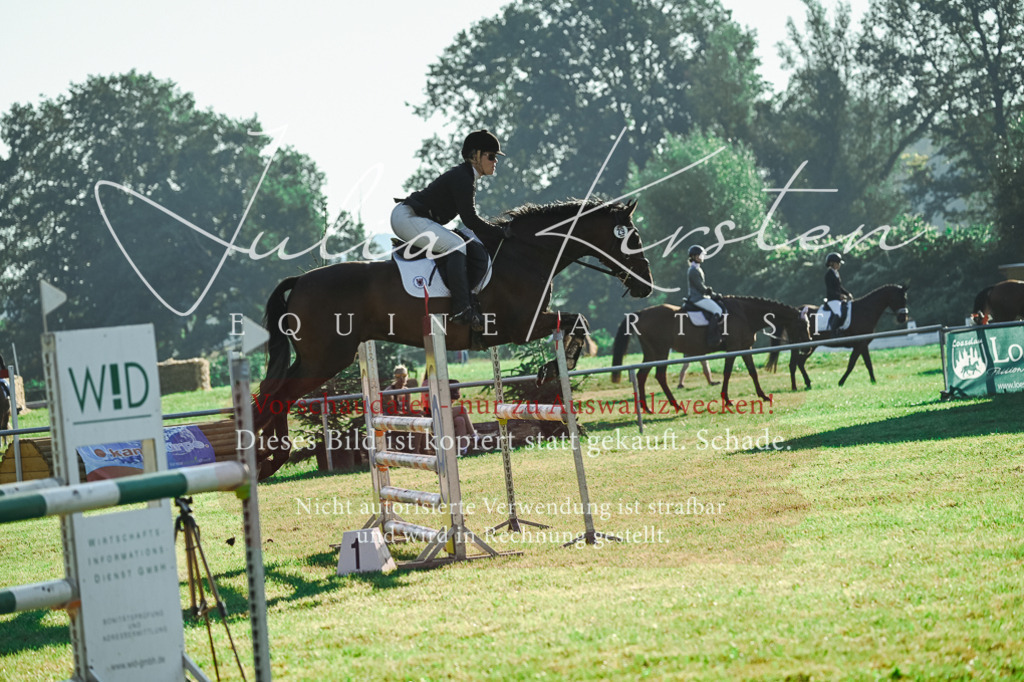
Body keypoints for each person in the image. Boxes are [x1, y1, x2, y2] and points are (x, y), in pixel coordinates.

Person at [391, 129, 511, 331]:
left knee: (458, 241)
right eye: (490, 156)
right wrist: (499, 232)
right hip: (407, 217)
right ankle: (462, 308)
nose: (494, 161)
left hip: (411, 217)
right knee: (456, 245)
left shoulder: (465, 176)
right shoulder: (463, 177)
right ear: (475, 156)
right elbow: (471, 219)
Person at [685, 245, 725, 347]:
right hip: (697, 298)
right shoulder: (693, 270)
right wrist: (714, 295)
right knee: (718, 311)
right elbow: (700, 288)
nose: (702, 256)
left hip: (701, 297)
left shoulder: (696, 268)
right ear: (694, 256)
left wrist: (711, 294)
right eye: (700, 255)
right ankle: (712, 337)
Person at [824, 252, 853, 332]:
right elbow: (830, 290)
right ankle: (833, 332)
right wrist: (839, 296)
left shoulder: (836, 273)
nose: (839, 265)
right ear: (831, 263)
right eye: (838, 263)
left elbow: (839, 287)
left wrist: (847, 293)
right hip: (832, 300)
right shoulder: (829, 274)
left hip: (838, 299)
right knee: (838, 313)